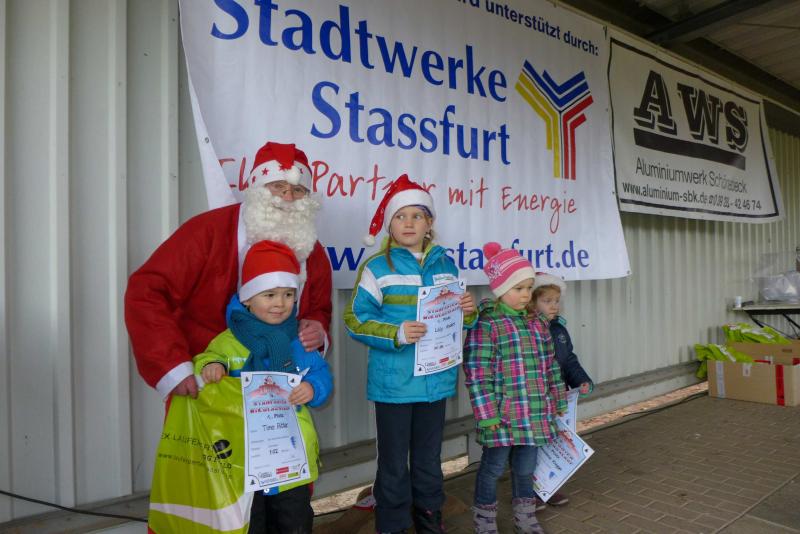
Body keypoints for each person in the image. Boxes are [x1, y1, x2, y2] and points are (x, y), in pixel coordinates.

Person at [125, 141, 332, 400]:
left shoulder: (311, 248)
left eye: (298, 190)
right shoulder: (207, 231)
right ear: (257, 187)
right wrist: (173, 368)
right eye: (278, 186)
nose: (287, 198)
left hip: (279, 397)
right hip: (206, 383)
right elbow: (147, 291)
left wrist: (318, 329)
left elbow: (319, 309)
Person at [343, 175, 478, 534]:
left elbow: (456, 322)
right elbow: (354, 319)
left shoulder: (445, 265)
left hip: (435, 383)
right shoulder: (377, 267)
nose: (408, 223)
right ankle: (392, 526)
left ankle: (430, 522)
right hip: (394, 387)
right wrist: (396, 333)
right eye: (400, 216)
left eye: (417, 216)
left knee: (429, 461)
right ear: (389, 224)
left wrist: (468, 312)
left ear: (429, 223)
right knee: (392, 465)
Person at [194, 240, 332, 534]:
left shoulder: (299, 341)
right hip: (244, 458)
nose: (280, 303)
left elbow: (321, 373)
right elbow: (206, 358)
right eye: (269, 294)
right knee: (250, 523)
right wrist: (211, 366)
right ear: (247, 299)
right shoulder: (228, 342)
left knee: (294, 521)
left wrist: (313, 388)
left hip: (290, 457)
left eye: (288, 294)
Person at [464, 243, 567, 534]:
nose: (525, 294)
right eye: (518, 288)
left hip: (534, 412)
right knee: (493, 468)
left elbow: (550, 365)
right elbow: (477, 372)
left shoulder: (537, 324)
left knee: (525, 469)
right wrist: (487, 415)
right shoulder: (487, 324)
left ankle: (525, 516)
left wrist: (558, 399)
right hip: (502, 416)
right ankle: (485, 520)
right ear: (500, 288)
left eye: (529, 288)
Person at [529, 272, 593, 510]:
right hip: (535, 399)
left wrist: (581, 381)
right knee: (531, 448)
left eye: (556, 301)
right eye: (547, 301)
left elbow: (569, 361)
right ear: (532, 302)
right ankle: (527, 492)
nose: (554, 305)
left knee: (553, 444)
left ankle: (548, 488)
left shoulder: (559, 329)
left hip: (558, 398)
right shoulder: (527, 329)